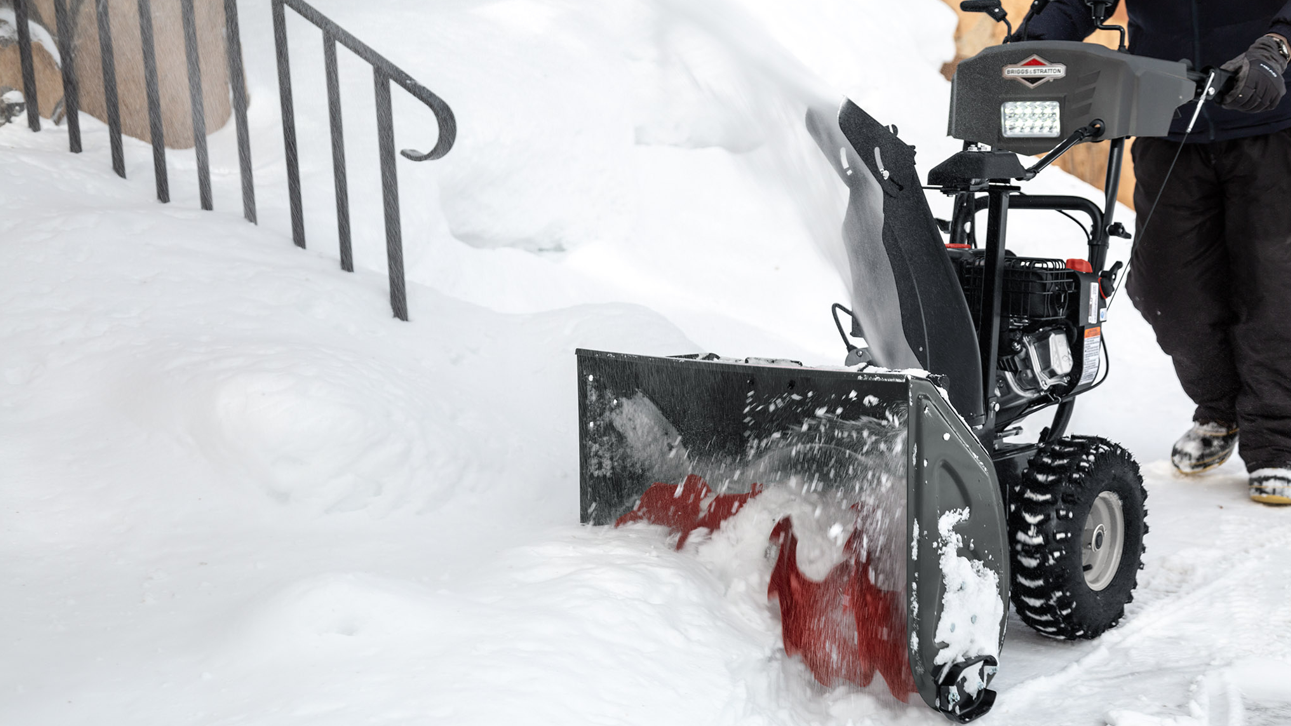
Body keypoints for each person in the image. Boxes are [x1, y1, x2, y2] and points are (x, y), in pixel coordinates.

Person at [1020, 0, 1291, 505]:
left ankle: (1278, 435)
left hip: (1273, 115)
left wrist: (1277, 48)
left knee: (1274, 287)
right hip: (1168, 115)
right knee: (1167, 286)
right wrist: (1032, 45)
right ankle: (1218, 409)